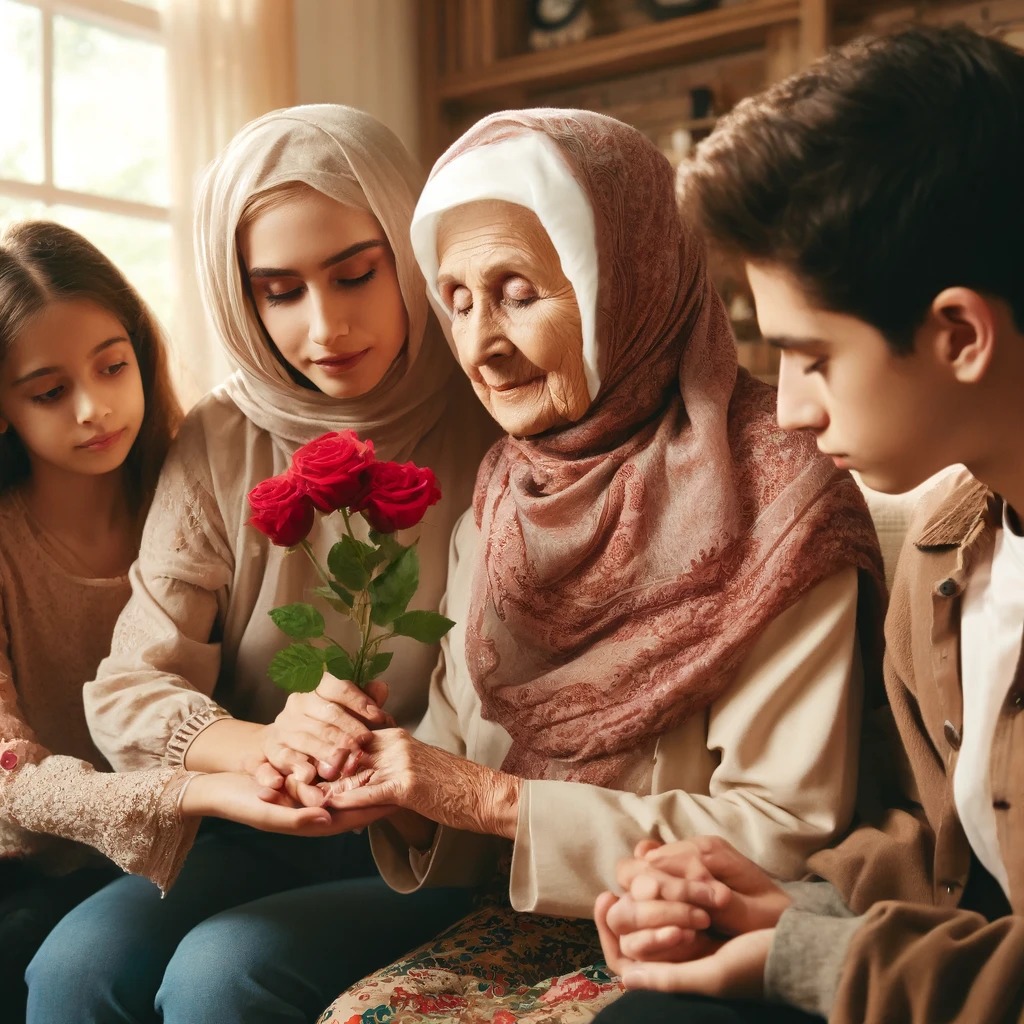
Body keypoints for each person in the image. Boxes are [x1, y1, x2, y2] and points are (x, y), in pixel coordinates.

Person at [313, 107, 884, 1023]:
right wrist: (381, 776)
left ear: (632, 280)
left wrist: (488, 799)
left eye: (517, 291)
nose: (480, 347)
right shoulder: (506, 493)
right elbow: (458, 780)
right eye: (456, 300)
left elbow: (783, 834)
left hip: (703, 925)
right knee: (226, 966)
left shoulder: (781, 488)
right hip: (510, 907)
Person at [592, 23, 1024, 1024]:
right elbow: (957, 838)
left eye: (811, 355)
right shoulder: (945, 550)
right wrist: (775, 894)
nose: (787, 407)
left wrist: (811, 952)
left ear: (957, 331)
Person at [27, 106, 496, 1024]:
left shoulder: (494, 407)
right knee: (73, 968)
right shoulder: (221, 434)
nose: (326, 327)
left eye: (356, 274)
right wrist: (271, 744)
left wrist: (383, 769)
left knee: (221, 976)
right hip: (257, 817)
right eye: (279, 291)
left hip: (431, 837)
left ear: (409, 250)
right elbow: (131, 686)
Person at [0, 220, 336, 1020]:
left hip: (209, 844)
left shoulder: (195, 484)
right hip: (35, 872)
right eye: (50, 391)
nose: (93, 408)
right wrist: (192, 794)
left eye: (113, 366)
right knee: (51, 965)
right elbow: (7, 779)